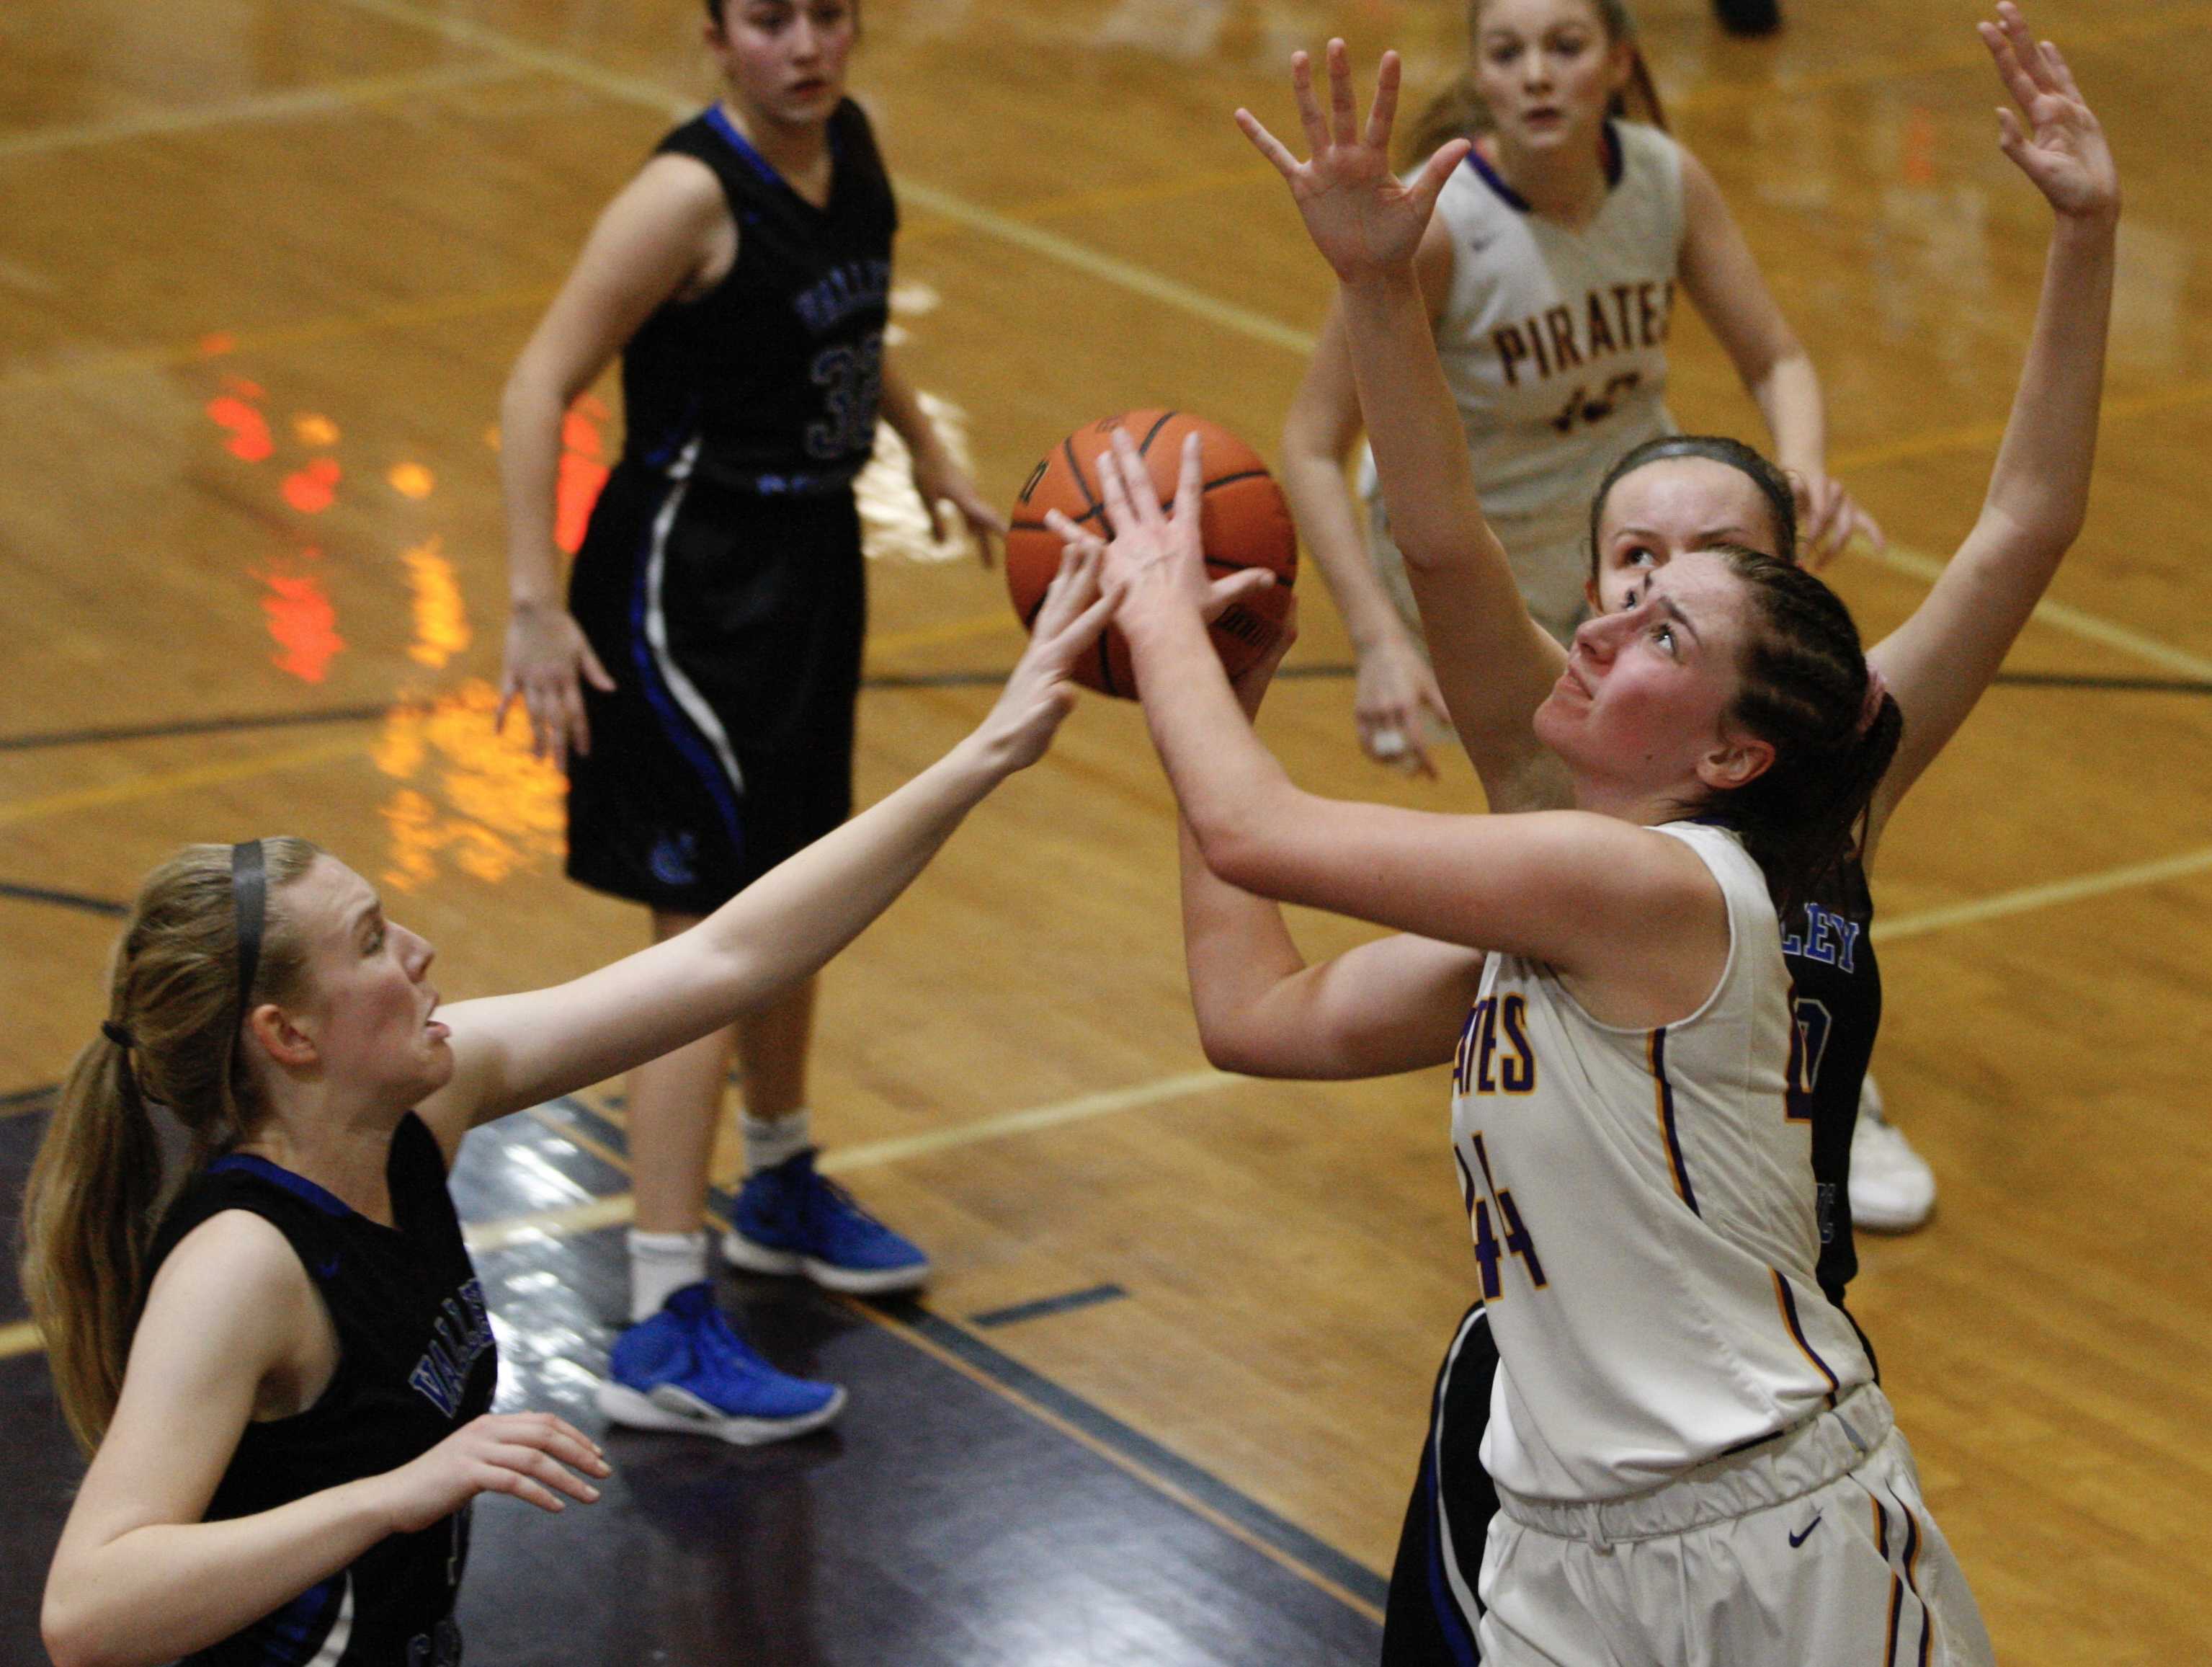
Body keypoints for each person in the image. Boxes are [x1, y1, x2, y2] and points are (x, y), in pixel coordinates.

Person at [1057, 40, 2015, 1663]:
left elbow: (1256, 819)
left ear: (1725, 750)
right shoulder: (1550, 930)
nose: (1601, 617)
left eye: (1661, 621)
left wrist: (1159, 626)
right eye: (1618, 581)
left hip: (1772, 1533)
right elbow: (1254, 1015)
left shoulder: (1645, 885)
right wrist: (1214, 689)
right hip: (1556, 1545)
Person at [1306, 9, 2111, 1655]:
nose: (1639, 594)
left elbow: (2024, 516)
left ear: (1774, 617)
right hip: (1567, 1449)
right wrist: (1380, 290)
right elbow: (1447, 543)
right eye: (1622, 564)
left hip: (1780, 1407)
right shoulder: (1557, 779)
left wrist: (2084, 233)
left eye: (1696, 564)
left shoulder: (1836, 773)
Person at [24, 551, 1118, 1667]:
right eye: (368, 943)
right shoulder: (243, 1267)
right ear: (287, 1038)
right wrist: (393, 1495)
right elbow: (89, 1610)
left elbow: (728, 960)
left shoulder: (426, 1110)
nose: (418, 950)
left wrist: (989, 751)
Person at [496, 0, 1004, 1436]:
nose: (805, 44)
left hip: (809, 568)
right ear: (714, 36)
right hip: (681, 586)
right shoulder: (683, 193)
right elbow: (537, 380)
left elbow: (843, 317)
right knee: (703, 938)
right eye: (768, 19)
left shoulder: (851, 144)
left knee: (796, 891)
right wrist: (536, 601)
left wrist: (923, 449)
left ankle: (776, 1176)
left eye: (825, 14)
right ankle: (659, 1319)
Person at [1280, 0, 1876, 780]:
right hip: (1486, 572)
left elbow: (1776, 359)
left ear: (1619, 62)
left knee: (1686, 778)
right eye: (1505, 53)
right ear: (1479, 76)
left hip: (1631, 548)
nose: (1536, 76)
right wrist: (1376, 638)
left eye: (1565, 48)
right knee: (1566, 797)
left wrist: (1801, 466)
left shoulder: (1662, 179)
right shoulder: (1437, 228)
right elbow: (1311, 445)